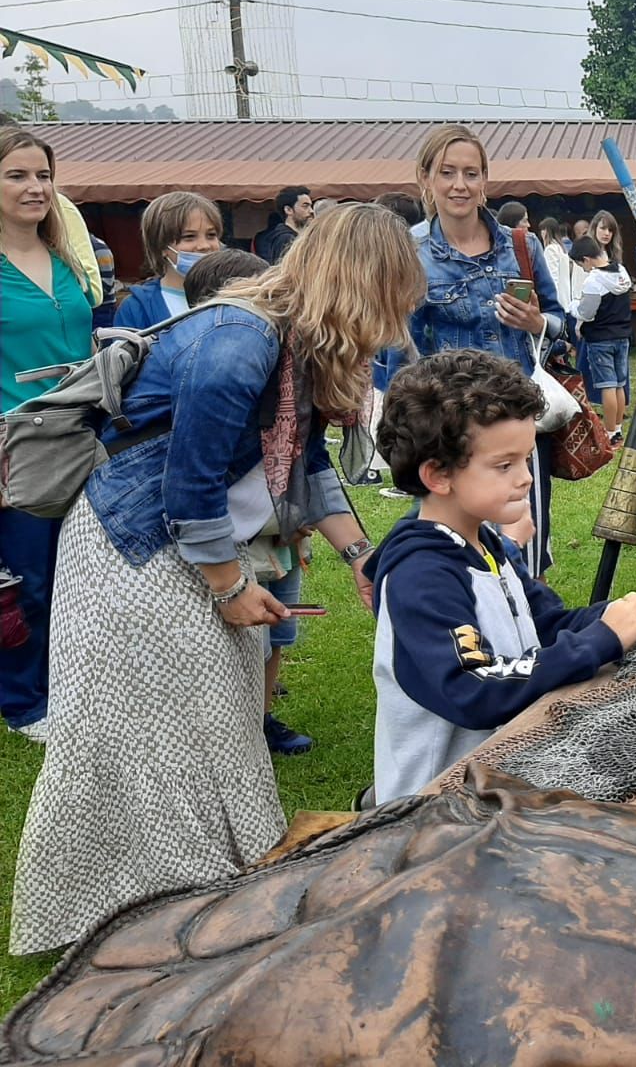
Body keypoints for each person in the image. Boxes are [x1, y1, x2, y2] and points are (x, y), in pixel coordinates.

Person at [9, 203, 423, 954]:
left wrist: (362, 555)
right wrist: (232, 591)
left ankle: (216, 895)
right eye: (393, 299)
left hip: (187, 551)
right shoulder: (238, 341)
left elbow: (306, 459)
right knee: (138, 741)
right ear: (361, 285)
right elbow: (189, 485)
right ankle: (133, 916)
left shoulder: (292, 339)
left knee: (220, 725)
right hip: (129, 552)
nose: (394, 323)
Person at [366, 349, 636, 803]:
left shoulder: (487, 544)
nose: (525, 479)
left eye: (526, 459)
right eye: (504, 466)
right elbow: (473, 688)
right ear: (438, 475)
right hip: (436, 809)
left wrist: (616, 618)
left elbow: (546, 626)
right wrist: (598, 641)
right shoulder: (421, 574)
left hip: (499, 783)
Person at [408, 125, 565, 575]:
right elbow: (401, 347)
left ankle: (529, 629)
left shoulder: (522, 245)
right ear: (426, 179)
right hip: (452, 425)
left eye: (471, 173)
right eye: (448, 172)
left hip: (519, 424)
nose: (460, 185)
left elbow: (561, 324)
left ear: (485, 182)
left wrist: (538, 323)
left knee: (523, 535)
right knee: (457, 544)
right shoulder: (411, 252)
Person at [182, 249, 314, 756]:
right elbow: (200, 476)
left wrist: (299, 517)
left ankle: (260, 718)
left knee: (276, 628)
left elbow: (299, 456)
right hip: (229, 541)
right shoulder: (220, 366)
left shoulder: (281, 372)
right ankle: (229, 731)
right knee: (236, 639)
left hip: (276, 531)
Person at [0, 128, 96, 743]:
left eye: (43, 175)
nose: (35, 187)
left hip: (83, 434)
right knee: (26, 579)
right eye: (17, 175)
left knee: (79, 572)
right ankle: (22, 701)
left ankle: (70, 685)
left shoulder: (69, 257)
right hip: (16, 444)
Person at [115, 191, 224, 327]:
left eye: (211, 235)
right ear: (161, 246)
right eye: (189, 237)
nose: (204, 246)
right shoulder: (137, 308)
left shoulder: (235, 297)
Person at [573, 234, 632, 443]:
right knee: (619, 384)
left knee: (607, 385)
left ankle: (608, 434)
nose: (583, 269)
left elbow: (586, 313)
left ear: (586, 259)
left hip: (600, 339)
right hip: (622, 336)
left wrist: (574, 307)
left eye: (581, 265)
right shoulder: (622, 271)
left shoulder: (594, 281)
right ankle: (617, 429)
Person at [255, 185, 313, 264]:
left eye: (311, 206)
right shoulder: (285, 239)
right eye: (305, 206)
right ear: (288, 210)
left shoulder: (295, 236)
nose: (311, 211)